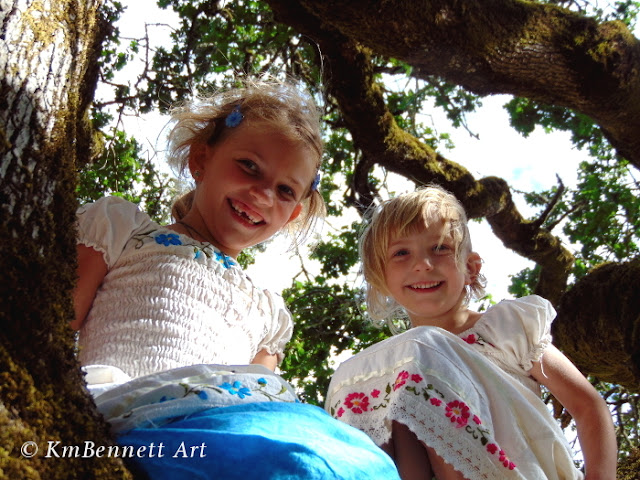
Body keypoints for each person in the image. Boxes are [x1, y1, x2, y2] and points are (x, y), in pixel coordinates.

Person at [72, 79, 400, 479]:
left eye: (284, 190)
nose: (262, 194)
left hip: (229, 427)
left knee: (363, 464)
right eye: (249, 166)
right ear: (201, 160)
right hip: (136, 417)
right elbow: (53, 324)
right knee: (289, 463)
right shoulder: (124, 229)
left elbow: (264, 407)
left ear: (292, 214)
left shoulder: (267, 310)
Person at [325, 185, 617, 480]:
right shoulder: (395, 366)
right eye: (401, 253)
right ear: (382, 277)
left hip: (525, 472)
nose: (423, 265)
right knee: (358, 376)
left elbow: (588, 406)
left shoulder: (506, 327)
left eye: (440, 248)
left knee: (421, 351)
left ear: (470, 267)